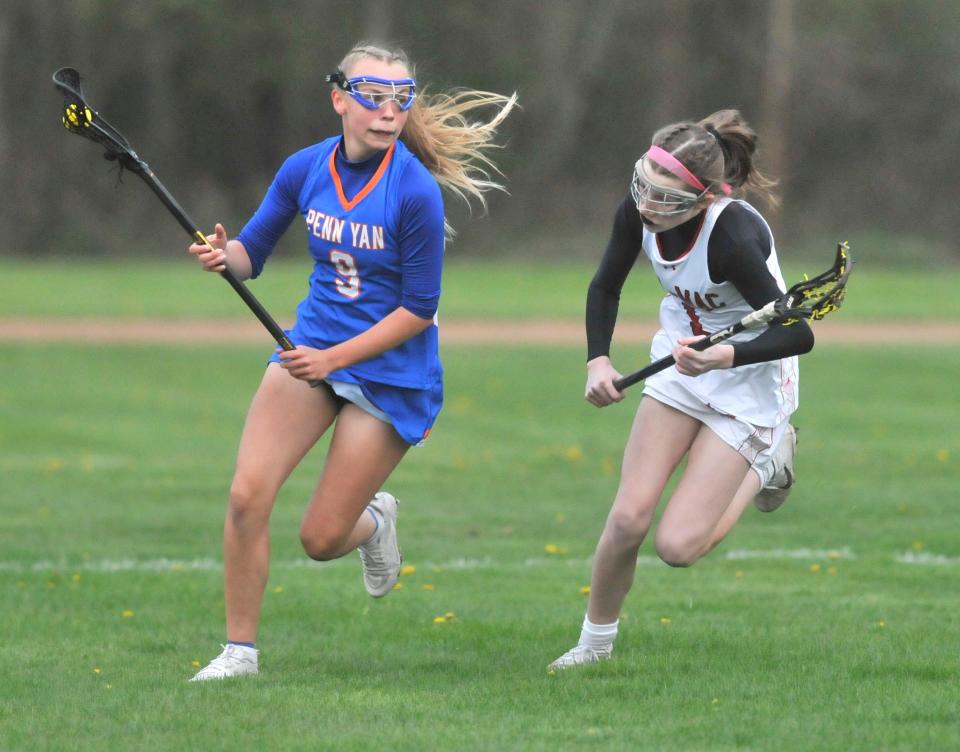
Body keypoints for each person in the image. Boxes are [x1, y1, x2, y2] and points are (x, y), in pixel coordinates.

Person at [188, 43, 516, 681]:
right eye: (373, 96)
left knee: (319, 539)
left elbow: (418, 310)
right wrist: (225, 258)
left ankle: (373, 521)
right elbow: (253, 252)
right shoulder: (305, 168)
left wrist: (330, 359)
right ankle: (239, 654)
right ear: (340, 99)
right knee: (245, 497)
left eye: (401, 99)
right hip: (312, 347)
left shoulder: (415, 192)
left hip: (390, 373)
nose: (389, 111)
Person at [548, 110, 813, 671]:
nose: (647, 206)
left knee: (677, 548)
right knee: (627, 519)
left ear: (704, 199)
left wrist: (725, 353)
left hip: (750, 378)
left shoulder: (734, 235)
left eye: (665, 200)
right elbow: (605, 284)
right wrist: (598, 360)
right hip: (680, 360)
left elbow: (798, 332)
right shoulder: (641, 208)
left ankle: (769, 460)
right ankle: (593, 646)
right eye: (644, 187)